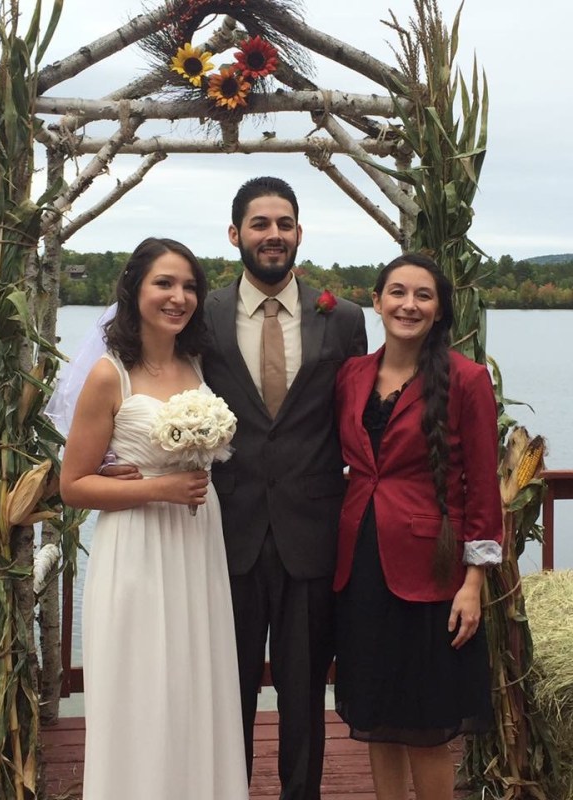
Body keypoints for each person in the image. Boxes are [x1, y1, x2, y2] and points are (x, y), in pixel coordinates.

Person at [59, 238, 249, 800]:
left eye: (189, 286)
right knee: (143, 686)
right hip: (137, 547)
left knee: (194, 682)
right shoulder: (107, 374)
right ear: (135, 289)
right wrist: (159, 487)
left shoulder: (195, 365)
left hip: (195, 543)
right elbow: (73, 486)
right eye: (164, 283)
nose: (179, 297)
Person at [201, 176, 368, 799]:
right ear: (235, 234)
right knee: (228, 691)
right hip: (224, 531)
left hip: (310, 534)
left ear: (299, 232)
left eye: (284, 224)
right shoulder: (204, 313)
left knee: (304, 695)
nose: (273, 235)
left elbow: (357, 415)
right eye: (260, 223)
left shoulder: (344, 319)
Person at [333, 253, 503, 800]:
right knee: (378, 716)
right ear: (377, 301)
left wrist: (473, 583)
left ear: (439, 309)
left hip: (432, 573)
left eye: (423, 295)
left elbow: (482, 484)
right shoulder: (353, 374)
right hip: (360, 565)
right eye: (398, 292)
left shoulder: (467, 379)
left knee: (427, 724)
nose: (409, 304)